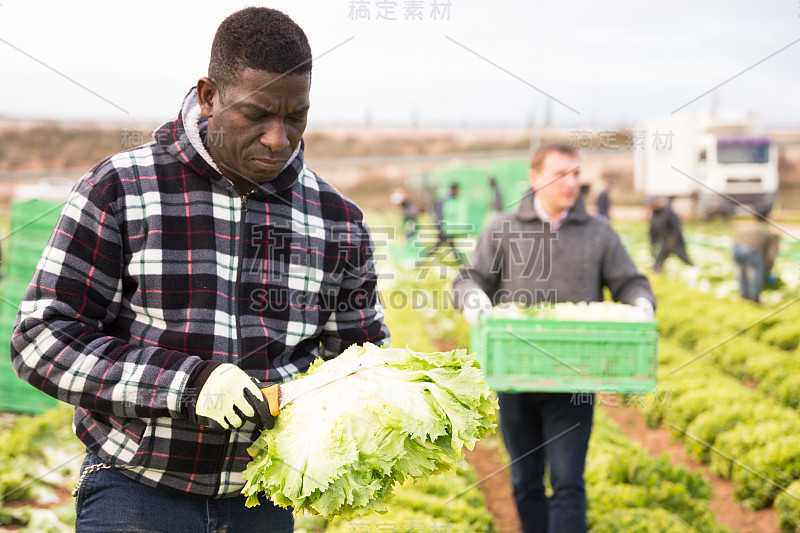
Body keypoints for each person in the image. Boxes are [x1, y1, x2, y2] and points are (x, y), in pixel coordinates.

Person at [10, 8, 388, 532]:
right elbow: (41, 339)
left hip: (262, 498)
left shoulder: (336, 219)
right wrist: (188, 385)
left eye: (295, 116)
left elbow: (358, 357)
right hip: (134, 489)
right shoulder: (122, 188)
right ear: (209, 96)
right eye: (257, 115)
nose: (279, 139)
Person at [453, 143, 655, 533]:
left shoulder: (598, 231)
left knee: (567, 481)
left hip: (574, 376)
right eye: (561, 174)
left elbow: (630, 282)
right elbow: (470, 278)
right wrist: (474, 301)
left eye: (576, 174)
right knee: (526, 480)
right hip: (514, 374)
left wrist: (642, 302)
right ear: (534, 178)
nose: (572, 183)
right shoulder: (503, 227)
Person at [733, 217, 780, 303]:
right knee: (756, 274)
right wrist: (768, 268)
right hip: (751, 250)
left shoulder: (756, 229)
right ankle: (754, 299)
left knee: (741, 272)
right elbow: (771, 255)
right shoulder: (773, 238)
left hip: (737, 248)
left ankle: (743, 296)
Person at [648, 196, 693, 272]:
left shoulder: (667, 212)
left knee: (684, 257)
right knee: (659, 259)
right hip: (664, 242)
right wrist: (653, 242)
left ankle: (692, 268)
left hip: (676, 242)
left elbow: (676, 226)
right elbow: (652, 230)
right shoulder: (654, 215)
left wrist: (673, 238)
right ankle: (657, 272)